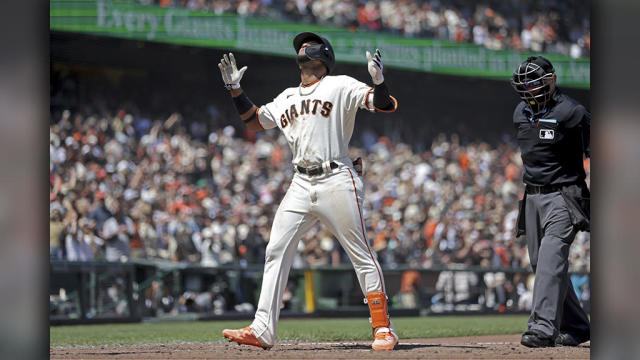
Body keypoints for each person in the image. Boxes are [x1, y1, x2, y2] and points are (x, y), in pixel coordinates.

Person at [218, 32, 399, 351]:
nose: (302, 48)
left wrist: (379, 80)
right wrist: (234, 90)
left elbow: (382, 104)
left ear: (323, 55)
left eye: (308, 44)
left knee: (361, 253)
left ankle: (383, 327)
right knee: (276, 249)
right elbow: (254, 120)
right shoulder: (286, 96)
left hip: (336, 177)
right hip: (300, 183)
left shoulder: (340, 84)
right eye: (299, 46)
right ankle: (262, 328)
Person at [511, 56, 591, 347]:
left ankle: (542, 328)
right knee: (541, 263)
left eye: (534, 84)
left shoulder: (573, 112)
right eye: (524, 86)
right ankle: (578, 326)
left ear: (551, 80)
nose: (528, 91)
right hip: (531, 196)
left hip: (564, 196)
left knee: (549, 261)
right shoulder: (520, 112)